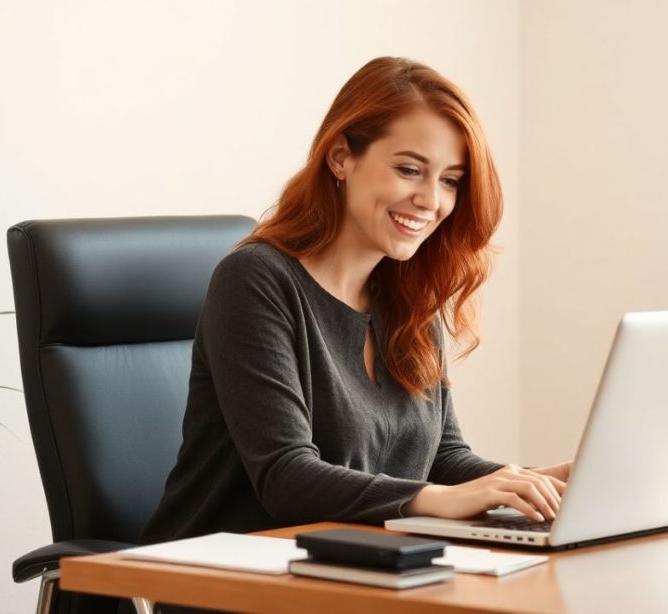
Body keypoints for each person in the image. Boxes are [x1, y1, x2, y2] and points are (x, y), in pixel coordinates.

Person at [141, 57, 572, 562]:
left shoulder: (407, 295)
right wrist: (440, 501)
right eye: (409, 169)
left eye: (451, 180)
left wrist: (542, 483)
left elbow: (441, 458)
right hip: (218, 574)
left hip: (350, 565)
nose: (431, 200)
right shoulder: (255, 280)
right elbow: (286, 476)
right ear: (341, 157)